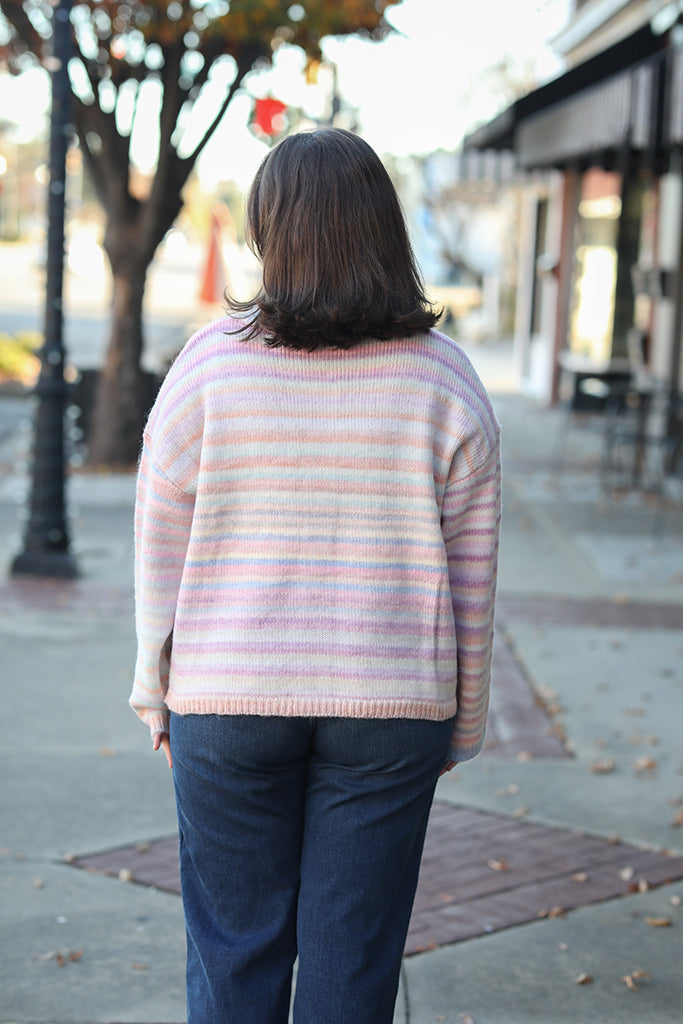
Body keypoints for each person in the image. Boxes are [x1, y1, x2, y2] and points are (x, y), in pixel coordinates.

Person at [130, 127, 501, 1024]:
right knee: (353, 960)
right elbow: (473, 571)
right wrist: (466, 715)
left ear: (270, 229)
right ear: (387, 230)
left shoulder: (210, 364)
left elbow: (159, 537)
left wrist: (155, 683)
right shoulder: (446, 379)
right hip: (392, 705)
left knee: (233, 957)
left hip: (227, 697)